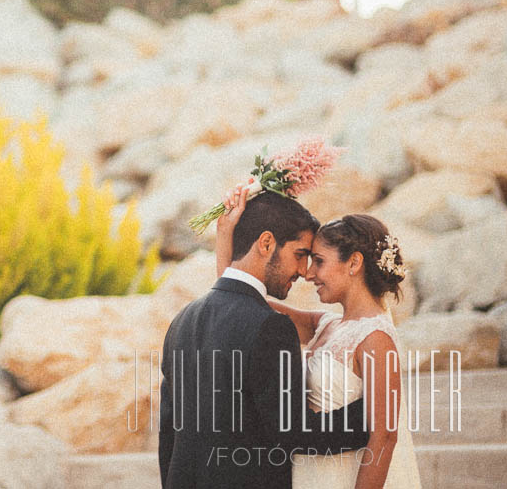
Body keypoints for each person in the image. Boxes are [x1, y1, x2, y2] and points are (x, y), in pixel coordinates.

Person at [159, 188, 370, 489]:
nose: (303, 271)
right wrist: (371, 411)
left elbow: (168, 432)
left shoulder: (182, 320)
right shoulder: (271, 326)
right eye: (300, 255)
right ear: (267, 243)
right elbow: (295, 431)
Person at [214, 184, 422, 488]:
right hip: (309, 473)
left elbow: (385, 436)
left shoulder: (377, 338)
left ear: (353, 263)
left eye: (319, 262)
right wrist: (225, 231)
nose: (309, 274)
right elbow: (241, 298)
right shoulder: (325, 325)